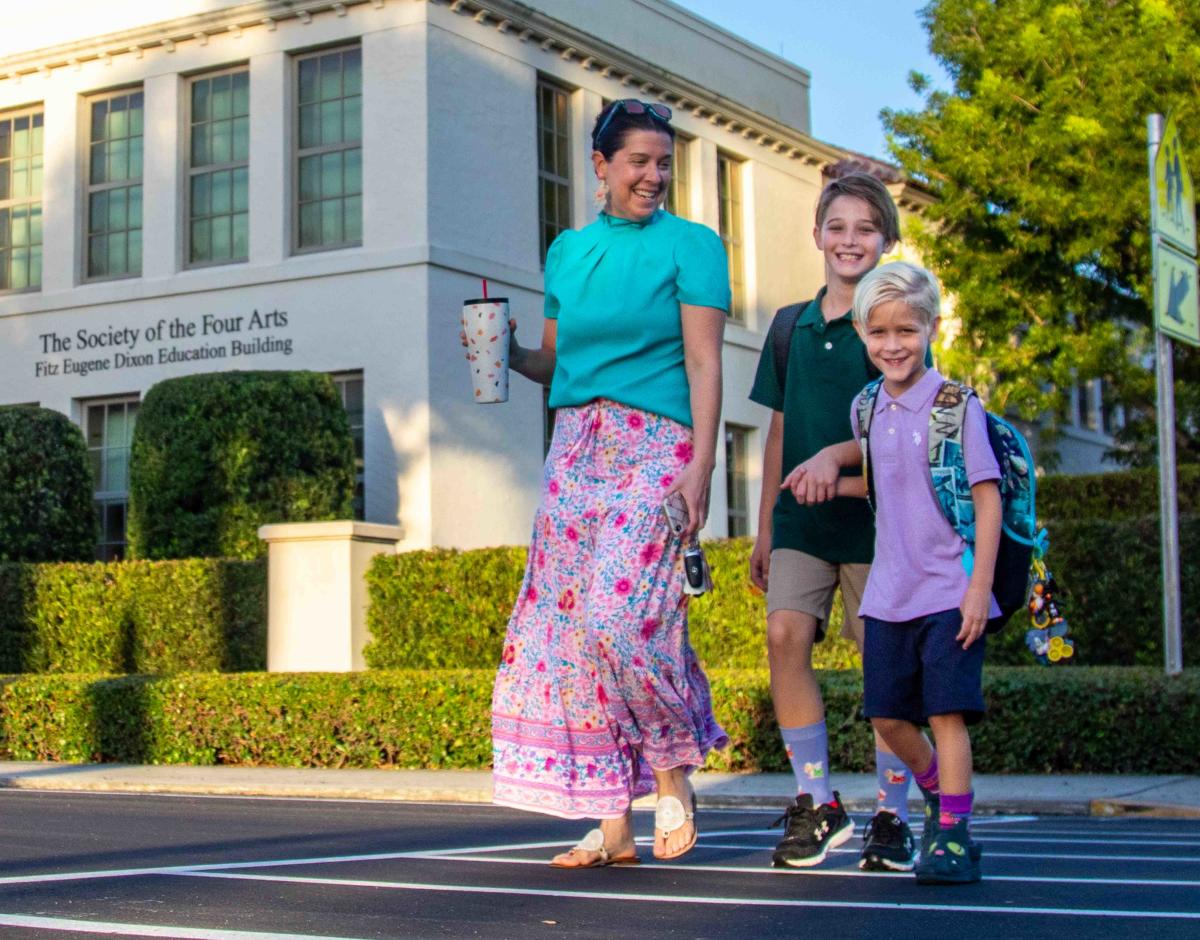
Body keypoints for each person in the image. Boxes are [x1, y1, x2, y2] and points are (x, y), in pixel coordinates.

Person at [488, 98, 730, 868]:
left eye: (664, 162)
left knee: (622, 619)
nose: (654, 175)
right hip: (574, 451)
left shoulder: (694, 245)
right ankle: (610, 821)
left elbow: (704, 362)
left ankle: (672, 774)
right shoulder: (566, 251)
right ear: (601, 166)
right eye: (639, 162)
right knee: (571, 636)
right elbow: (554, 363)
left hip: (657, 444)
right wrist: (507, 348)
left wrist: (703, 467)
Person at [788, 261, 1000, 884]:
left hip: (949, 591)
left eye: (906, 330)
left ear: (930, 327)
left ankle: (956, 836)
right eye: (878, 333)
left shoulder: (957, 407)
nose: (892, 345)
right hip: (888, 594)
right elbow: (886, 484)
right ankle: (941, 795)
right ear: (861, 332)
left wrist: (977, 590)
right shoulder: (867, 408)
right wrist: (827, 481)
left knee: (946, 714)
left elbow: (985, 499)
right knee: (886, 717)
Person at [748, 172, 928, 871]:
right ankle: (817, 803)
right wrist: (766, 526)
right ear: (818, 234)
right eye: (838, 227)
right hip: (802, 520)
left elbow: (906, 423)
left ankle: (892, 814)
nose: (850, 240)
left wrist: (834, 457)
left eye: (865, 228)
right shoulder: (791, 324)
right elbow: (776, 430)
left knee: (884, 660)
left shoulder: (894, 324)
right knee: (783, 632)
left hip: (881, 523)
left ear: (887, 239)